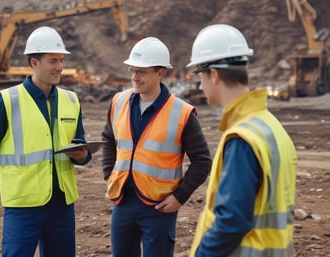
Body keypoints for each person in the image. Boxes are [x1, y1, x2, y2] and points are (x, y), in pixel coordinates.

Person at [0, 26, 91, 257]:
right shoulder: (8, 100)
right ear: (34, 62)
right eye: (53, 60)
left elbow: (80, 144)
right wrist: (17, 175)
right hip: (23, 204)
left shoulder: (71, 100)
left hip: (61, 202)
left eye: (61, 60)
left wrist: (84, 156)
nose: (59, 67)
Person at [186, 24, 297, 257]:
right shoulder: (271, 126)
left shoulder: (243, 138)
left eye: (199, 75)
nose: (199, 85)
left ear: (214, 74)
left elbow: (232, 220)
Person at [101, 36, 212, 257]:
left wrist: (180, 197)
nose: (135, 77)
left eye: (142, 72)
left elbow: (202, 160)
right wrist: (109, 175)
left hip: (159, 207)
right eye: (133, 70)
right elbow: (108, 139)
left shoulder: (182, 113)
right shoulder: (118, 102)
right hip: (123, 201)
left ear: (160, 73)